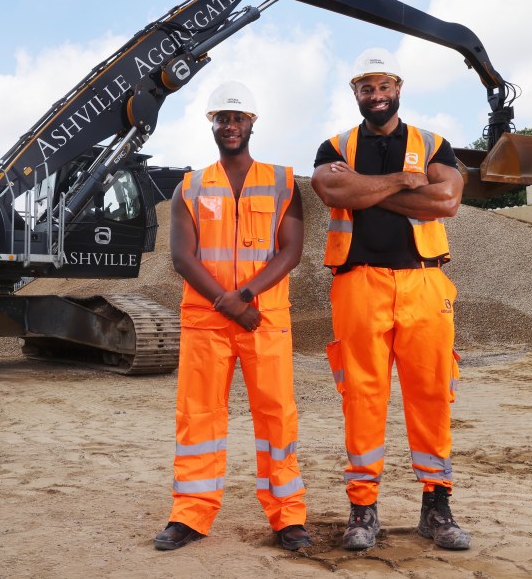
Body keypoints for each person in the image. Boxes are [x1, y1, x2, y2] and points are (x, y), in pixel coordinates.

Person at [310, 48, 471, 551]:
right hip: (358, 284)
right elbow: (332, 193)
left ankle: (436, 505)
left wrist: (364, 188)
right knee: (362, 396)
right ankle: (362, 508)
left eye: (383, 87)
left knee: (431, 393)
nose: (375, 96)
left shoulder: (433, 143)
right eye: (366, 88)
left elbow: (447, 201)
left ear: (398, 87)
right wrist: (403, 181)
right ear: (355, 92)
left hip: (424, 284)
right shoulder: (332, 145)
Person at [154, 81, 310, 552]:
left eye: (238, 117)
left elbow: (292, 250)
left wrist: (244, 296)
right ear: (212, 124)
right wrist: (227, 303)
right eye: (222, 117)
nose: (230, 125)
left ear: (252, 123)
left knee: (277, 416)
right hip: (206, 321)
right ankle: (190, 515)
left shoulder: (284, 181)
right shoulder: (192, 185)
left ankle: (287, 518)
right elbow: (183, 257)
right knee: (198, 418)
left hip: (264, 317)